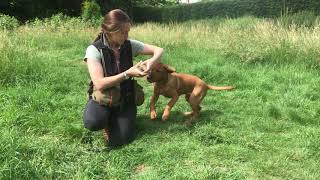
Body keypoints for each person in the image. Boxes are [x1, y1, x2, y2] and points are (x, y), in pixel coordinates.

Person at [83, 9, 163, 147]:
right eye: (122, 32)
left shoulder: (129, 44)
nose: (126, 36)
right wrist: (127, 73)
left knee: (121, 139)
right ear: (110, 31)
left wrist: (152, 61)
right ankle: (106, 120)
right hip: (104, 98)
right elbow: (99, 84)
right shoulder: (94, 50)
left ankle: (118, 118)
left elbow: (159, 50)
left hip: (126, 98)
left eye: (128, 32)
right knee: (93, 122)